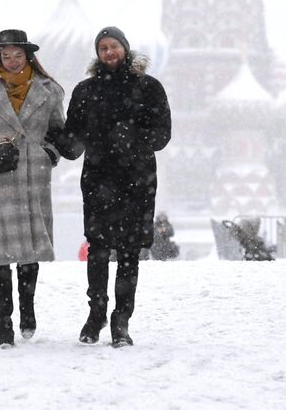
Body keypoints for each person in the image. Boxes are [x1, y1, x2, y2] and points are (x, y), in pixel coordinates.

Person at [47, 26, 171, 347]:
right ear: (98, 54)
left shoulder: (148, 88)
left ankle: (122, 320)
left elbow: (162, 134)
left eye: (114, 46)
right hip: (99, 181)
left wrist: (134, 136)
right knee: (98, 251)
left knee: (129, 254)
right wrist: (58, 137)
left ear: (125, 49)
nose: (109, 52)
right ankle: (97, 311)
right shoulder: (86, 91)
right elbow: (74, 142)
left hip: (136, 182)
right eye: (103, 48)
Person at [0, 29, 66, 348]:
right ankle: (4, 324)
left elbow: (59, 133)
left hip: (34, 175)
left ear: (28, 56)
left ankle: (28, 309)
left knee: (30, 249)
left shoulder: (49, 91)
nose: (10, 61)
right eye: (5, 55)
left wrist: (49, 154)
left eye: (16, 55)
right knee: (0, 253)